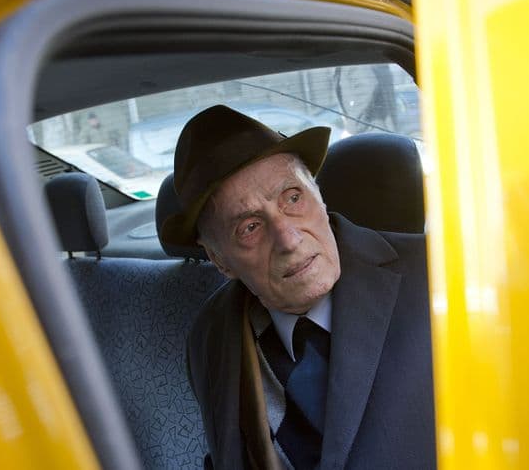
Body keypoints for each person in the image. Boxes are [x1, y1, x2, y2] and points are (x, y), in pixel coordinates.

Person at [160, 105, 435, 469]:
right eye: (250, 227)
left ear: (319, 195)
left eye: (293, 197)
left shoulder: (439, 277)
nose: (288, 239)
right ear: (220, 260)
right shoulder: (208, 337)